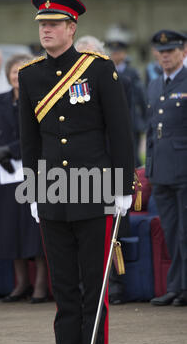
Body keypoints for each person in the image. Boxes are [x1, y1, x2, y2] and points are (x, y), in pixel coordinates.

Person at [18, 0, 134, 344]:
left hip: (96, 189)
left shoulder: (99, 70)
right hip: (52, 192)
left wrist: (123, 189)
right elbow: (28, 140)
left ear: (71, 28)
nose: (45, 30)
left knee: (93, 284)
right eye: (41, 25)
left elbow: (120, 132)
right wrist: (33, 190)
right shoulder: (29, 76)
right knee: (63, 287)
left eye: (53, 24)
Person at [0, 54, 49, 303]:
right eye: (13, 72)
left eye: (22, 71)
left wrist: (13, 150)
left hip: (33, 171)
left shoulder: (40, 98)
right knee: (10, 229)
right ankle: (20, 284)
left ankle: (40, 286)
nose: (17, 76)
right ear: (8, 76)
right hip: (6, 174)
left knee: (34, 229)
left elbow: (39, 134)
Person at [75, 35, 133, 304]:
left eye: (92, 55)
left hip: (109, 164)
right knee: (82, 233)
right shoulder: (71, 86)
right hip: (78, 170)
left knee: (111, 232)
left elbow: (123, 129)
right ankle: (86, 285)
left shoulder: (118, 81)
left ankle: (115, 285)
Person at [145, 29, 187, 307]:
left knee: (185, 231)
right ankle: (176, 287)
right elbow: (150, 129)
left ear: (183, 51)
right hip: (161, 169)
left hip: (183, 168)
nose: (165, 57)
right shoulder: (155, 83)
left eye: (170, 51)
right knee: (171, 231)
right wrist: (149, 166)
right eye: (161, 52)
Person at [106, 38, 147, 167]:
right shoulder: (107, 71)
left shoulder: (132, 73)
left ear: (124, 54)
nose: (115, 55)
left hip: (132, 120)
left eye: (118, 52)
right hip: (115, 119)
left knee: (133, 154)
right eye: (113, 52)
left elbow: (140, 97)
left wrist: (144, 120)